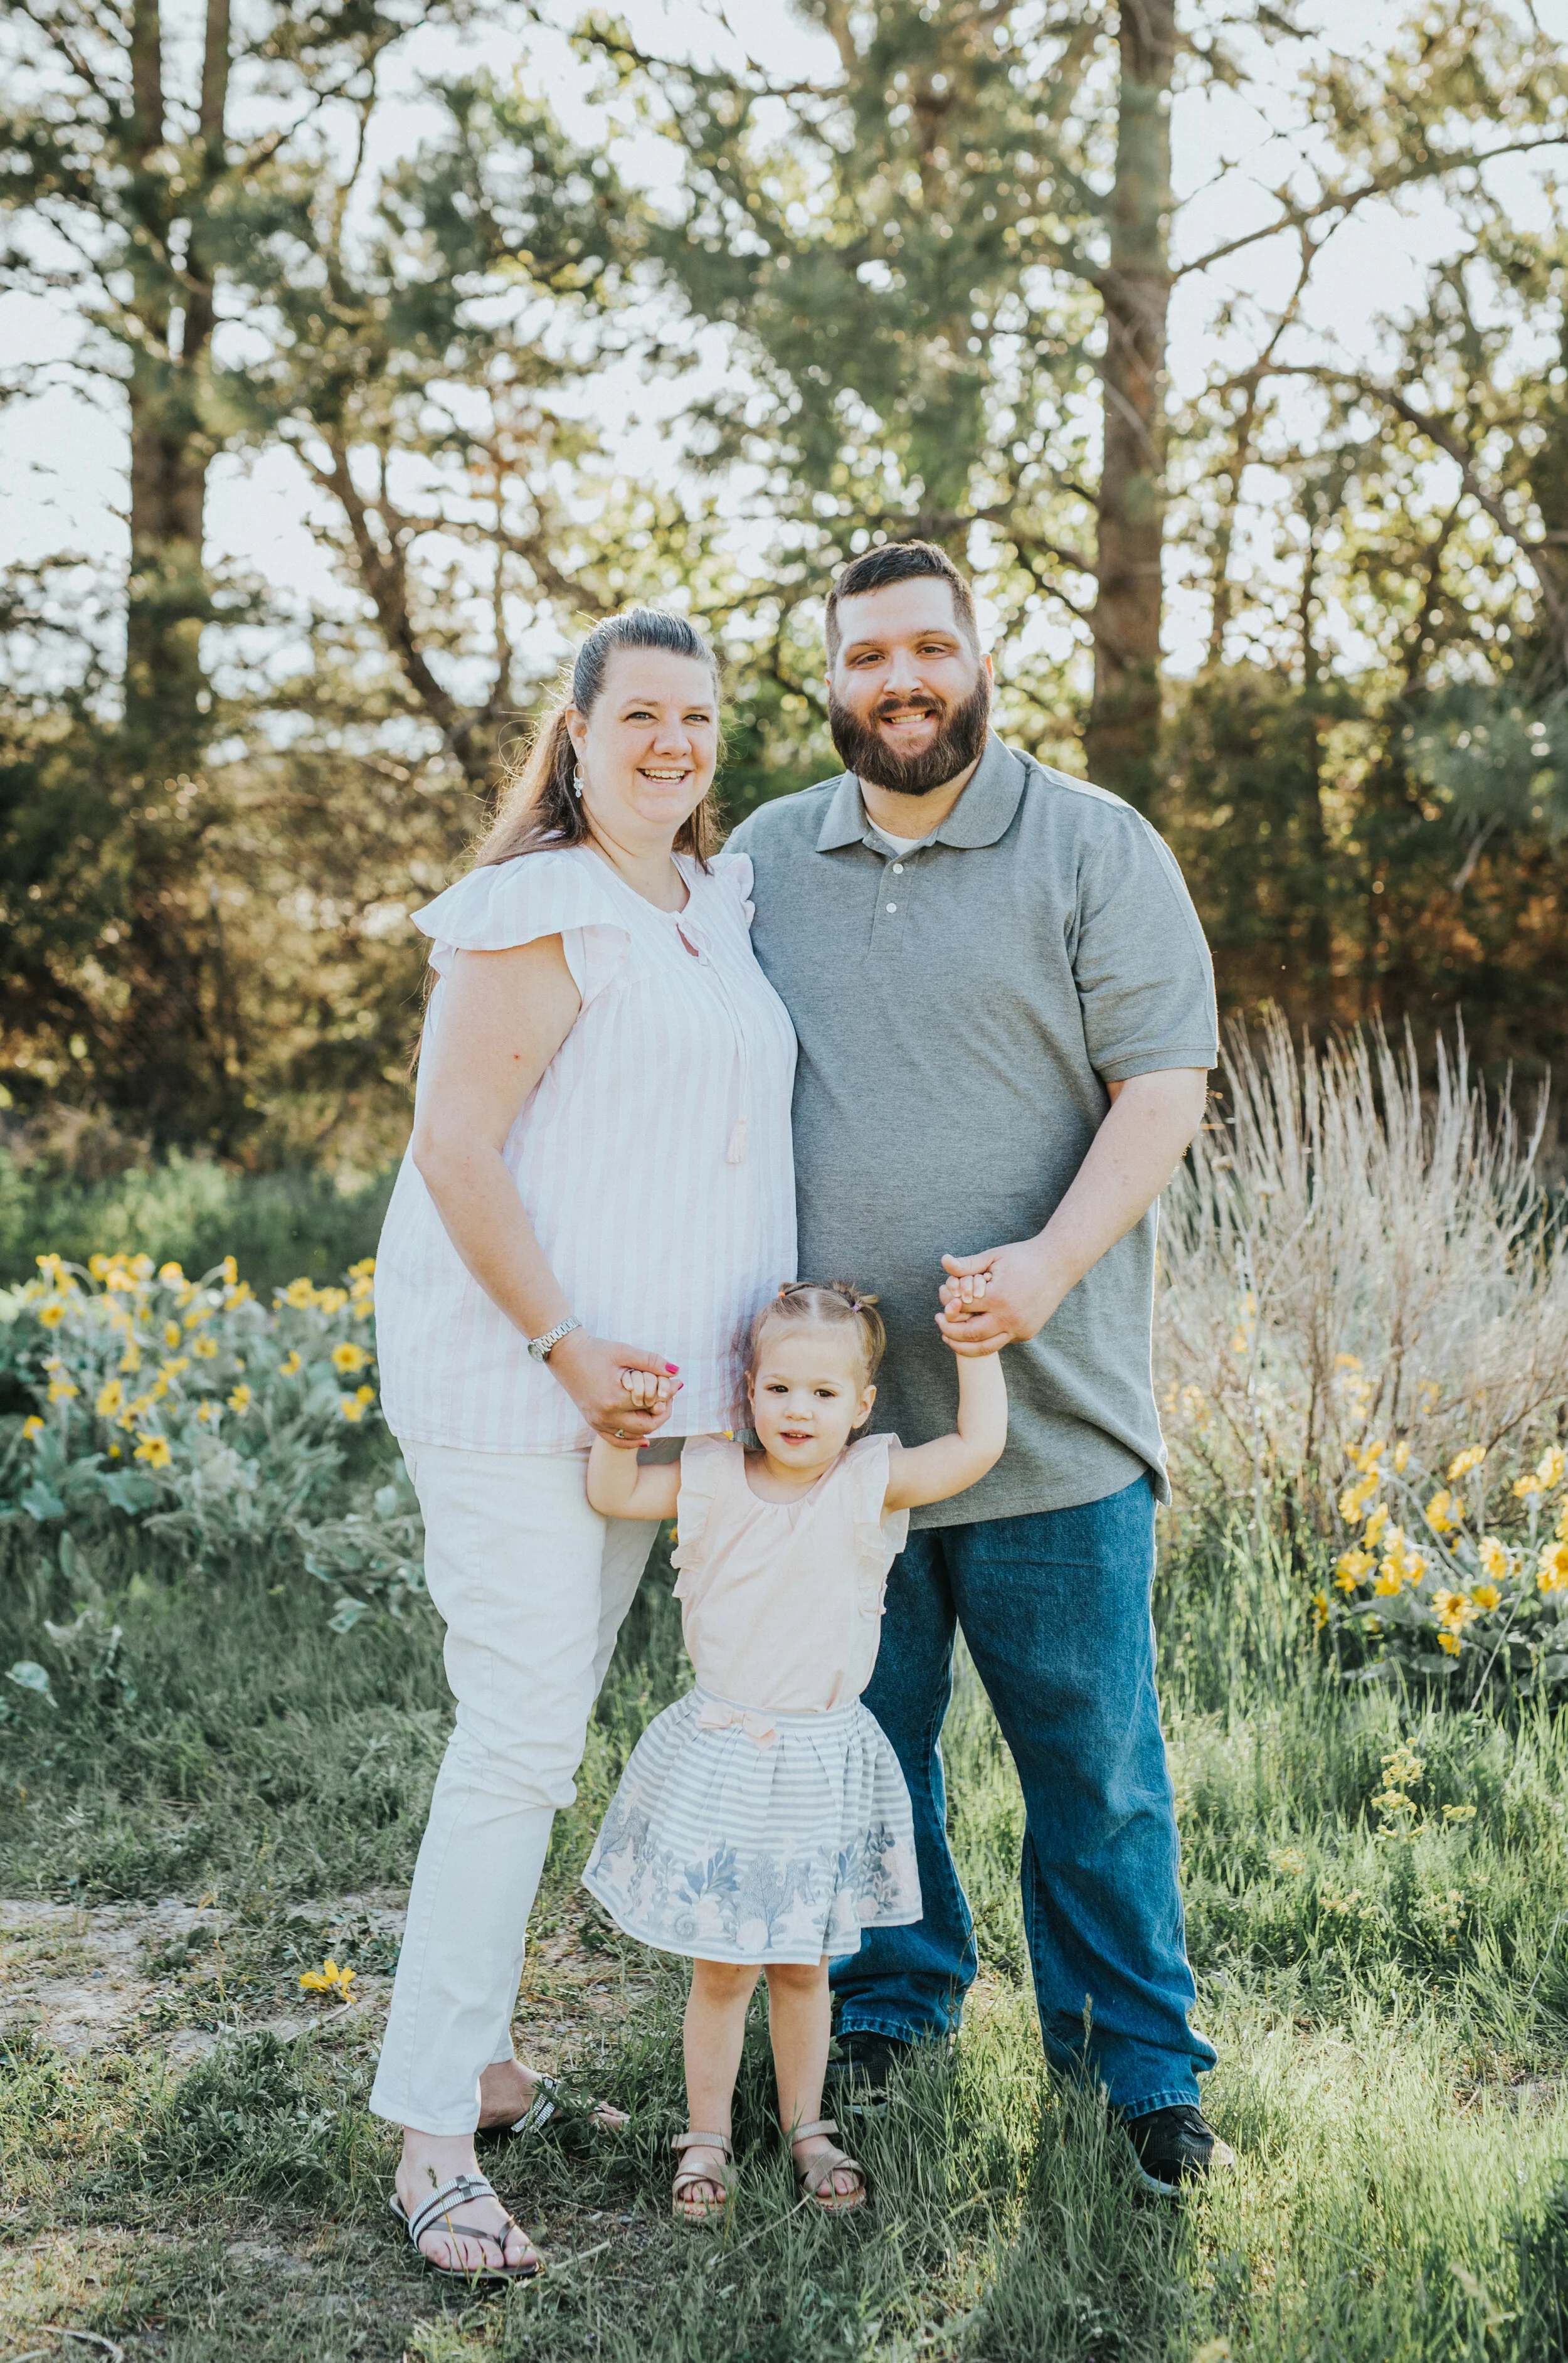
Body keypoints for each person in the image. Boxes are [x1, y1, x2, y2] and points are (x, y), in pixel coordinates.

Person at [728, 541, 1231, 2198]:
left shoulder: (1093, 843)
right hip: (827, 1440)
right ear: (829, 681)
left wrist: (1046, 1266)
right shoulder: (762, 857)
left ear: (978, 658)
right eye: (868, 655)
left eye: (928, 648)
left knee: (1092, 1763)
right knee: (862, 1750)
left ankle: (1135, 2061)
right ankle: (891, 2004)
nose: (902, 680)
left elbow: (1161, 1085)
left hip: (1051, 1414)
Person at [369, 608, 797, 2278]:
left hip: (649, 1406)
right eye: (639, 715)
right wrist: (561, 1340)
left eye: (698, 717)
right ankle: (429, 2133)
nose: (673, 743)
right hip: (516, 1390)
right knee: (517, 1743)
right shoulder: (536, 905)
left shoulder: (707, 902)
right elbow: (454, 1147)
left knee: (539, 1730)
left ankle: (480, 2057)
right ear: (574, 733)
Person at [580, 1281, 1007, 2222]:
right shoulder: (710, 1477)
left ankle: (806, 2125)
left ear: (861, 1406)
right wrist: (622, 1423)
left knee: (806, 1965)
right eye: (778, 1388)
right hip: (727, 1757)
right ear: (749, 1391)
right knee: (724, 1969)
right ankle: (707, 2133)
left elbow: (976, 1448)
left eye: (823, 1393)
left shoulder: (866, 1483)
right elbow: (613, 1490)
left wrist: (977, 1349)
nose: (797, 1410)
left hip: (819, 1765)